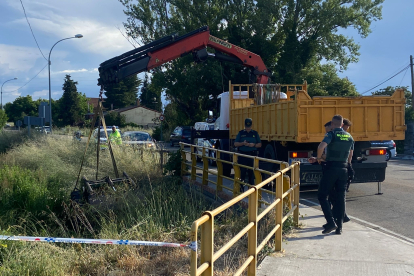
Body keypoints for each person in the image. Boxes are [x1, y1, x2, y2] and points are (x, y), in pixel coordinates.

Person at [316, 114, 354, 235]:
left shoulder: (331, 134)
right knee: (341, 197)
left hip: (331, 168)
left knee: (322, 195)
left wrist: (318, 158)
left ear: (332, 124)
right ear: (342, 125)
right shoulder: (349, 136)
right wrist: (347, 165)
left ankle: (331, 222)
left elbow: (321, 146)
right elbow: (350, 155)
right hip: (344, 168)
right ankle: (339, 227)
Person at [234, 118, 262, 192]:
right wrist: (243, 143)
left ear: (251, 125)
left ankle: (251, 191)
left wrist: (253, 145)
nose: (248, 128)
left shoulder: (255, 133)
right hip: (243, 155)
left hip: (252, 155)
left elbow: (259, 144)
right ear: (245, 126)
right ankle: (241, 190)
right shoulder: (241, 133)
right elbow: (235, 143)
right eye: (247, 127)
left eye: (249, 127)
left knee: (251, 174)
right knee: (242, 172)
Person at [342, 118, 354, 192]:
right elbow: (350, 151)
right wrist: (349, 163)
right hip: (345, 159)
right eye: (347, 126)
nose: (348, 128)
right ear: (344, 125)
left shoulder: (332, 133)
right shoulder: (348, 136)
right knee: (349, 175)